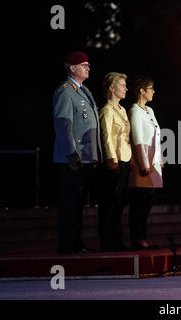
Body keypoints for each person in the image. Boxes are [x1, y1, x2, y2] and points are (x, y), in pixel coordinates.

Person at [53, 51, 102, 254]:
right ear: (71, 68)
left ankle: (75, 242)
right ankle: (67, 245)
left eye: (88, 64)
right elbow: (64, 125)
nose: (87, 67)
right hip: (72, 159)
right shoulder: (65, 91)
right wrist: (72, 154)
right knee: (70, 204)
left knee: (79, 204)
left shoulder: (84, 91)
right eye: (83, 65)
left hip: (86, 157)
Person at [98, 72, 132, 252]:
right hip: (114, 160)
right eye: (121, 85)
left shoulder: (122, 110)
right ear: (112, 88)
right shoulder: (107, 110)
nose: (125, 88)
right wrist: (111, 158)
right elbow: (106, 138)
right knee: (109, 202)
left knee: (119, 203)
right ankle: (107, 241)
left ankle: (117, 241)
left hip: (125, 158)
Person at [128, 76, 163, 249]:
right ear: (142, 91)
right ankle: (137, 237)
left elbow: (156, 136)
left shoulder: (149, 110)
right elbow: (138, 138)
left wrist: (159, 159)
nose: (153, 91)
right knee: (140, 202)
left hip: (152, 160)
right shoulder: (135, 111)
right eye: (150, 88)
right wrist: (144, 164)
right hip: (143, 161)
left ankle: (143, 236)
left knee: (149, 200)